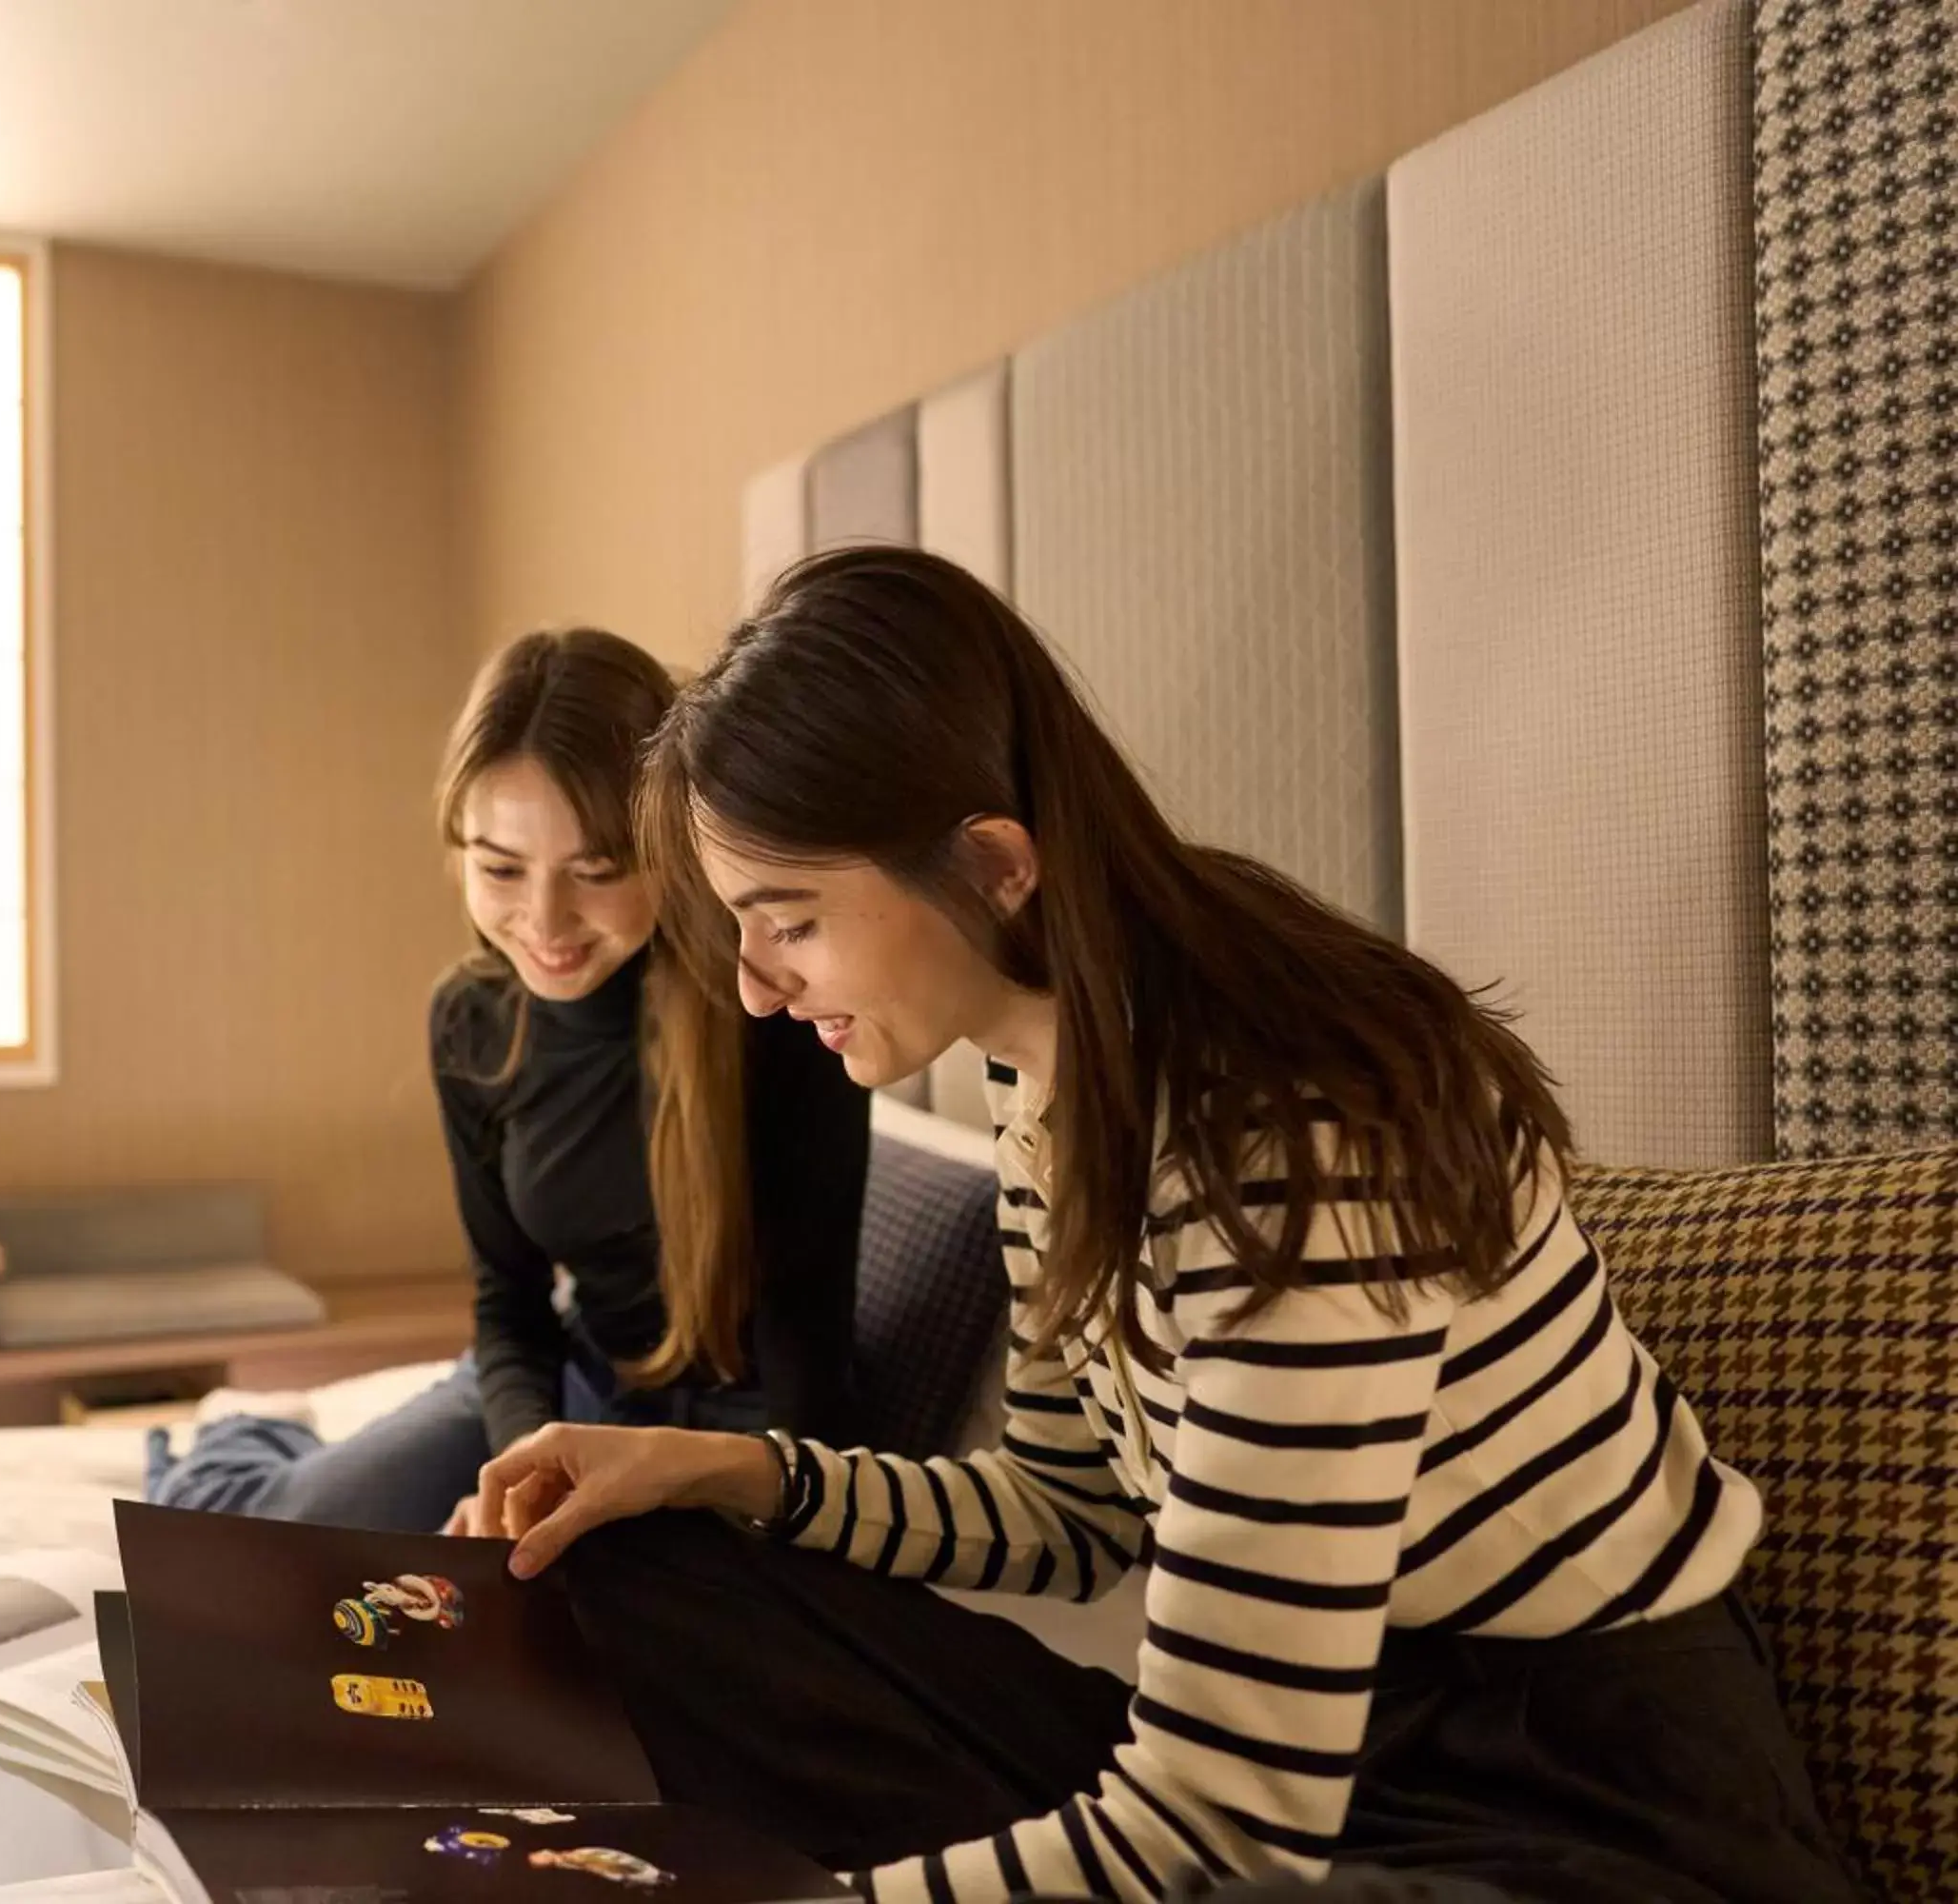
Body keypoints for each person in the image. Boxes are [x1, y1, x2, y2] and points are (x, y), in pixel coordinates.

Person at [473, 549, 1857, 1904]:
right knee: (624, 1575)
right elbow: (1069, 1519)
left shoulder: (1293, 1139)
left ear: (992, 866)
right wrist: (707, 1472)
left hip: (1575, 1803)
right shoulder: (1060, 1093)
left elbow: (1219, 1828)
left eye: (790, 924)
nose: (759, 991)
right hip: (1324, 1770)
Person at [148, 626, 867, 1533]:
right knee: (259, 1540)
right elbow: (508, 1302)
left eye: (597, 872)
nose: (544, 920)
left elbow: (810, 1330)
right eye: (500, 868)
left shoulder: (773, 1004)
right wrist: (531, 1465)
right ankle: (238, 1443)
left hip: (739, 1433)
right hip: (573, 1388)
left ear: (671, 848)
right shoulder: (473, 1018)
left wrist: (766, 1523)